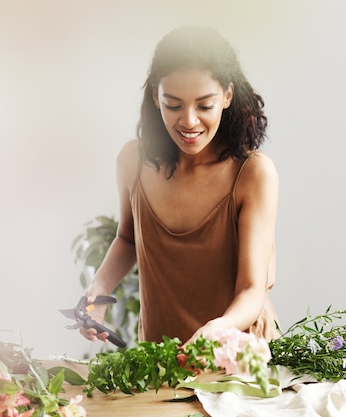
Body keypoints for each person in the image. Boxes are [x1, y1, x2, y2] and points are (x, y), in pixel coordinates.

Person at [80, 26, 280, 346]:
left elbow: (251, 290)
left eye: (204, 105)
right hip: (160, 355)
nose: (188, 121)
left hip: (237, 356)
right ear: (156, 98)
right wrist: (97, 292)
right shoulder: (132, 161)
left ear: (227, 96)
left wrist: (216, 331)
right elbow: (128, 238)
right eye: (174, 104)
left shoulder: (253, 174)